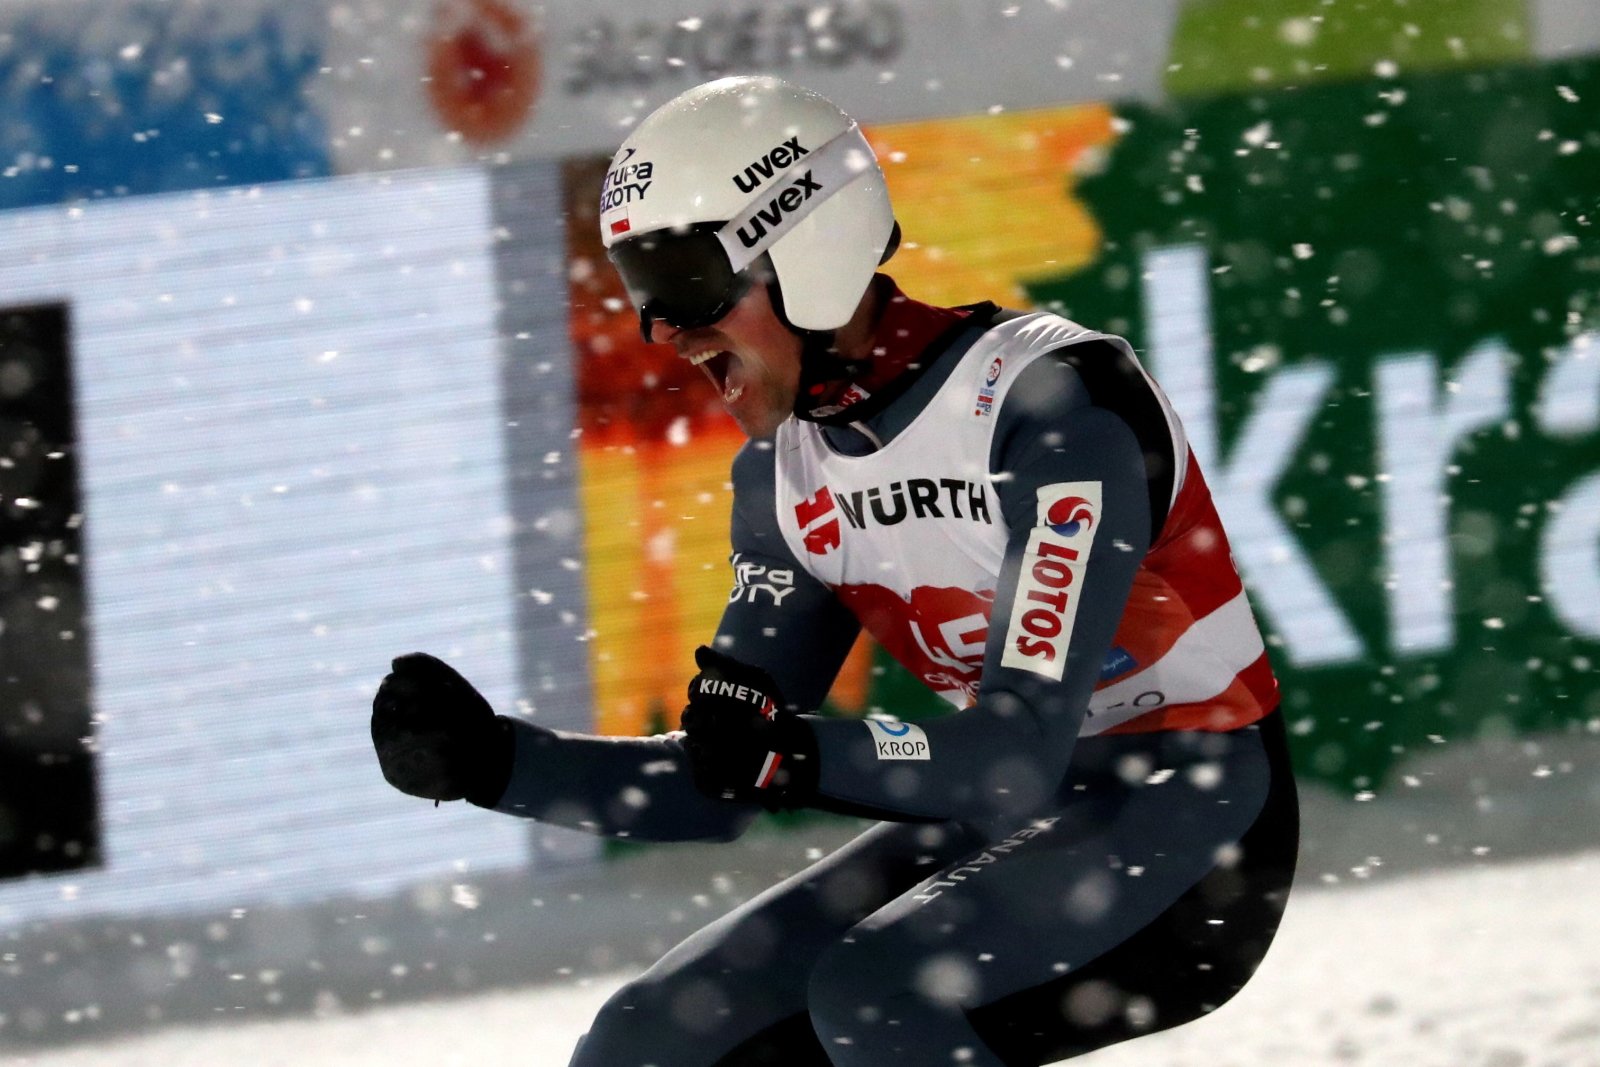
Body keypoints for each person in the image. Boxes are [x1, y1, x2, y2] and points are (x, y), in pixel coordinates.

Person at [370, 75, 1299, 1067]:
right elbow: (716, 779)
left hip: (1196, 817)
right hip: (1014, 816)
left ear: (807, 245)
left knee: (878, 992)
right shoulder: (782, 474)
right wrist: (498, 762)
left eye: (687, 284)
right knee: (643, 1044)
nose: (668, 333)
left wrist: (794, 752)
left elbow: (1014, 750)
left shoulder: (1052, 402)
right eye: (644, 298)